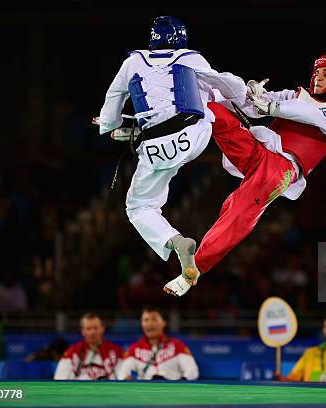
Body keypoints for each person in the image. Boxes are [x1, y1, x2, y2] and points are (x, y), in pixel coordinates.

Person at [164, 52, 326, 296]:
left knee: (239, 209)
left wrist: (274, 107)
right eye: (317, 72)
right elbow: (253, 108)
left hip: (281, 169)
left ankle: (194, 270)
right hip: (256, 150)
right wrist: (249, 94)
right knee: (213, 111)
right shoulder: (293, 95)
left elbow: (312, 115)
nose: (318, 77)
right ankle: (157, 124)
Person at [95, 16, 246, 284]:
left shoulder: (132, 62)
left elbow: (112, 101)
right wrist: (244, 95)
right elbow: (224, 82)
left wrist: (110, 125)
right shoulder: (190, 57)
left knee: (139, 207)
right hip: (195, 135)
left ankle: (175, 241)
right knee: (210, 92)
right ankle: (249, 123)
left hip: (155, 147)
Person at [118, 307, 198, 380]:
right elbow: (122, 374)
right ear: (141, 324)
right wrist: (126, 379)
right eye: (146, 320)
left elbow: (192, 372)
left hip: (172, 392)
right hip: (145, 393)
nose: (150, 324)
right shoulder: (134, 349)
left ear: (164, 323)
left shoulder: (177, 346)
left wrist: (181, 385)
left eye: (154, 319)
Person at [54, 313, 123, 380]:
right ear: (82, 331)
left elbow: (123, 379)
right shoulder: (73, 352)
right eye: (88, 329)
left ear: (102, 328)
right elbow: (59, 379)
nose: (92, 332)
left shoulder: (115, 351)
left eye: (95, 328)